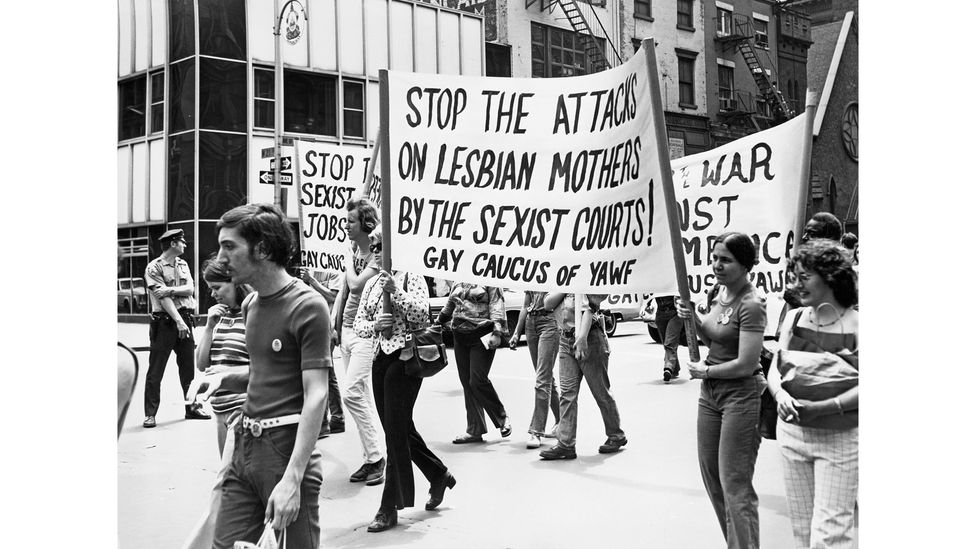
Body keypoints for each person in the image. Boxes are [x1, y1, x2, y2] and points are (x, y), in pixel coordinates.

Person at [186, 203, 331, 549]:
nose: (220, 257)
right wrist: (223, 378)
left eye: (229, 246)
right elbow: (265, 372)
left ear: (263, 249)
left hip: (284, 449)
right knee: (224, 544)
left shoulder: (308, 306)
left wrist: (292, 478)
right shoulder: (251, 304)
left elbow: (317, 394)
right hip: (243, 444)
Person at [354, 228, 454, 533]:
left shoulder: (411, 276)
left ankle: (389, 506)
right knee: (398, 429)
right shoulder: (371, 284)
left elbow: (422, 313)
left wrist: (395, 290)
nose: (373, 251)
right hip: (380, 358)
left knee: (394, 434)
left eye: (379, 246)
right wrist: (375, 324)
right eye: (372, 246)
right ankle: (438, 474)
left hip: (406, 358)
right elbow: (359, 323)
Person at [675, 232, 767, 549]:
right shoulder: (718, 293)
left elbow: (746, 362)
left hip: (740, 395)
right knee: (712, 477)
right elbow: (713, 338)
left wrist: (708, 370)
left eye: (725, 260)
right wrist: (696, 321)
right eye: (714, 258)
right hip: (710, 395)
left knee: (735, 484)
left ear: (745, 264)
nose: (716, 265)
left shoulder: (752, 304)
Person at [766, 240, 859, 549]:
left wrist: (824, 406)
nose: (797, 283)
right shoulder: (793, 319)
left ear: (830, 277)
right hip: (792, 435)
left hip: (840, 439)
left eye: (805, 276)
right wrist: (780, 396)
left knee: (831, 535)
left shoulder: (859, 325)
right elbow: (776, 368)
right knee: (803, 532)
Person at [181, 258, 252, 549]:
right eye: (210, 288)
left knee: (230, 480)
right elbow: (201, 364)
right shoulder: (218, 317)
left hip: (242, 409)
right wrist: (209, 325)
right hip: (220, 411)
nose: (213, 294)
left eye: (217, 287)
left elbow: (263, 368)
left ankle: (223, 537)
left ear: (236, 283)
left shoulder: (253, 314)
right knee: (231, 479)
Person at [331, 197, 386, 485]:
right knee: (361, 396)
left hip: (367, 332)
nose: (346, 226)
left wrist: (345, 264)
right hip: (347, 332)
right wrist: (334, 323)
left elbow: (355, 283)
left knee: (351, 394)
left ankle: (377, 457)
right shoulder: (355, 252)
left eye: (351, 221)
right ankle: (371, 458)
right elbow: (344, 292)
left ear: (365, 223)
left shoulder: (377, 255)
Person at [539, 293, 627, 460]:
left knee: (600, 391)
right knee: (567, 394)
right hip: (565, 339)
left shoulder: (586, 279)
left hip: (590, 338)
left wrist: (582, 338)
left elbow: (590, 309)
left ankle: (616, 435)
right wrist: (566, 286)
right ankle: (566, 444)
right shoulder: (561, 279)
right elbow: (547, 303)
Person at [143, 228, 209, 428]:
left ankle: (192, 408)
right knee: (156, 371)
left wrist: (171, 290)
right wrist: (178, 320)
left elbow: (190, 288)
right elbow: (162, 298)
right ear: (173, 244)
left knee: (188, 369)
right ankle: (150, 414)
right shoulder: (153, 268)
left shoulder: (183, 264)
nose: (185, 245)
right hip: (165, 323)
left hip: (186, 320)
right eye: (182, 241)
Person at [437, 282, 512, 444]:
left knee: (477, 380)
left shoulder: (490, 275)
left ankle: (502, 417)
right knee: (466, 382)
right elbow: (451, 302)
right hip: (459, 335)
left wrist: (497, 331)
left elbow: (496, 303)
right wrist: (438, 321)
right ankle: (474, 430)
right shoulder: (459, 276)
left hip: (482, 334)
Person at [509, 291, 560, 449]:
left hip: (550, 321)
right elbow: (526, 305)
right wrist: (517, 333)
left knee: (542, 379)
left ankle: (536, 431)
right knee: (545, 378)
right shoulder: (533, 271)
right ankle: (562, 421)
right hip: (531, 323)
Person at [300, 266, 346, 438]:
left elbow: (333, 296)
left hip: (327, 324)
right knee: (321, 371)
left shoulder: (332, 269)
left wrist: (312, 281)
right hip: (311, 323)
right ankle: (328, 419)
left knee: (325, 370)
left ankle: (333, 418)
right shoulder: (308, 268)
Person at [654, 295, 684, 382]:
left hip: (675, 312)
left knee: (670, 342)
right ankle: (675, 368)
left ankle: (668, 367)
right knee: (667, 342)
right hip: (660, 314)